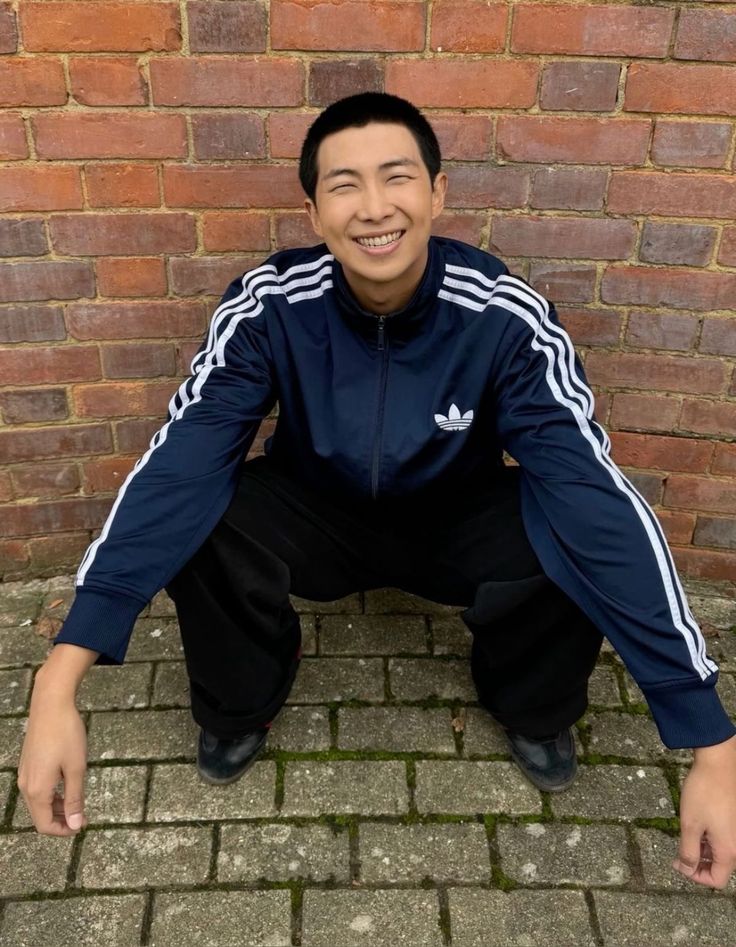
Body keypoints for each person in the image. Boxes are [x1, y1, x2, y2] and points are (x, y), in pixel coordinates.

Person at [18, 93, 736, 888]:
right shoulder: (268, 305)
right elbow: (180, 459)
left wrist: (710, 736)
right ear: (315, 211)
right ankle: (242, 700)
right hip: (316, 511)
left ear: (437, 193)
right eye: (344, 185)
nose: (373, 207)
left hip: (455, 517)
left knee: (567, 521)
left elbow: (594, 490)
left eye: (396, 178)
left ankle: (531, 704)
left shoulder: (504, 314)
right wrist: (62, 672)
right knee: (204, 512)